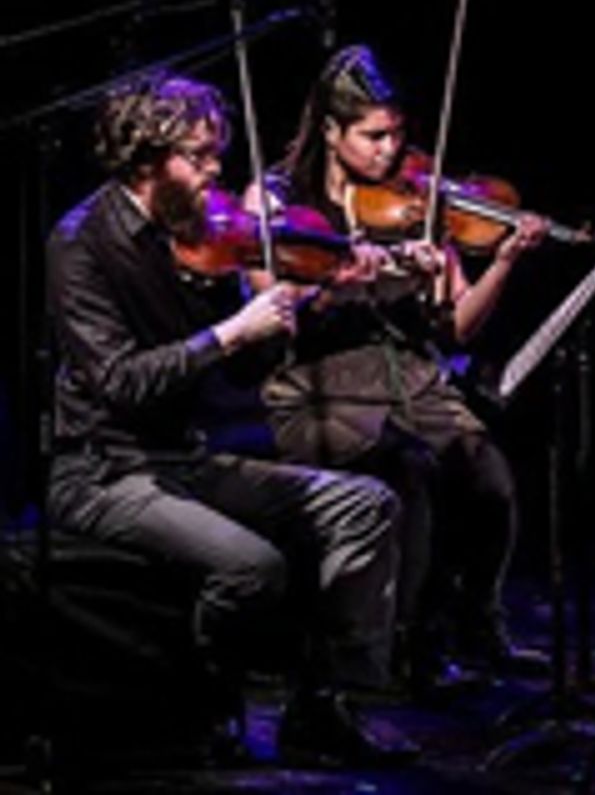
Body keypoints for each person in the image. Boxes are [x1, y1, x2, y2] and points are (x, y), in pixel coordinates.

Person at [47, 71, 416, 766]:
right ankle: (203, 709)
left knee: (365, 505)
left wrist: (309, 300)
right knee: (254, 567)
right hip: (103, 471)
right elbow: (122, 381)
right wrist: (228, 333)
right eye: (201, 155)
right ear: (146, 158)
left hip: (181, 460)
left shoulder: (195, 234)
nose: (218, 171)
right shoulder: (81, 243)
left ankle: (326, 704)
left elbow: (243, 371)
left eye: (219, 152)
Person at [247, 45, 546, 694]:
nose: (390, 151)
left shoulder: (414, 202)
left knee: (485, 471)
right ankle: (400, 650)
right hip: (319, 389)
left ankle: (478, 621)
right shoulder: (275, 199)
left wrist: (501, 263)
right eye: (372, 136)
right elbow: (272, 306)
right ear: (331, 130)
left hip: (413, 381)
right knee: (409, 474)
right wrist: (344, 278)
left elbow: (456, 327)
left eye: (397, 134)